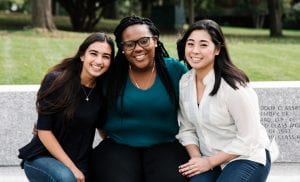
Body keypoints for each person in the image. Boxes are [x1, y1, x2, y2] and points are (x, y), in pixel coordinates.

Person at [176, 19, 278, 182]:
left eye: (203, 45)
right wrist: (197, 160)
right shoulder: (185, 82)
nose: (195, 50)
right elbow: (187, 128)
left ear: (217, 49)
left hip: (246, 156)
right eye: (190, 44)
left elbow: (249, 139)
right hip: (209, 157)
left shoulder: (233, 87)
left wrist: (208, 162)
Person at [91, 15, 189, 182]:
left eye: (144, 41)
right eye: (129, 44)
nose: (137, 49)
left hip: (165, 144)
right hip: (118, 145)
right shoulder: (111, 74)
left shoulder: (175, 70)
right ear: (122, 48)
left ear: (155, 41)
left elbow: (199, 105)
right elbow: (86, 100)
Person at [18, 32, 114, 182]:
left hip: (81, 159)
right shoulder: (57, 81)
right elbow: (44, 131)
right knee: (67, 178)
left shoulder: (103, 91)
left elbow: (103, 129)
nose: (99, 61)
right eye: (93, 53)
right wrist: (72, 168)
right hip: (43, 157)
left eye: (106, 56)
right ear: (82, 55)